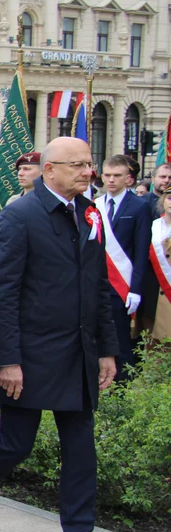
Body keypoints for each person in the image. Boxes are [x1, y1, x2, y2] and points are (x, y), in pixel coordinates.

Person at [0, 137, 127, 532]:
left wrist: (107, 349)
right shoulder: (19, 216)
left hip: (79, 355)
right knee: (15, 445)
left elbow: (99, 288)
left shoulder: (89, 213)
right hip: (31, 358)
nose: (88, 172)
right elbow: (3, 294)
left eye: (90, 164)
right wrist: (8, 360)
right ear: (49, 170)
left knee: (81, 452)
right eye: (78, 165)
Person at [95, 154, 150, 379]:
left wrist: (136, 289)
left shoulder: (139, 207)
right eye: (107, 175)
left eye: (117, 176)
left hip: (123, 286)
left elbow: (141, 251)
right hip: (98, 283)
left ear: (128, 178)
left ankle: (121, 390)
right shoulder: (94, 205)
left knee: (119, 340)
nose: (111, 180)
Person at [147, 189, 171, 340]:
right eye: (170, 198)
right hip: (153, 289)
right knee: (153, 344)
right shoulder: (154, 226)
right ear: (163, 200)